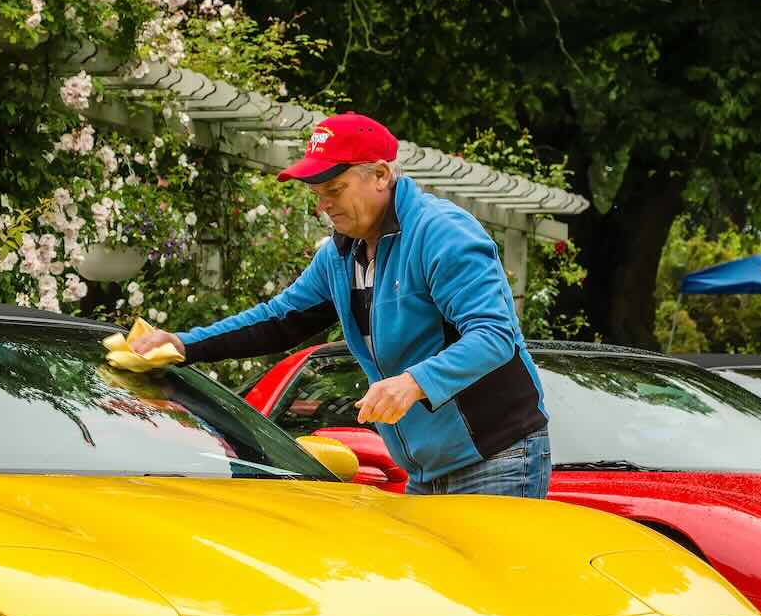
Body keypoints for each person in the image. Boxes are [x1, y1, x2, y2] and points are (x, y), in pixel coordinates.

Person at [129, 112, 550, 497]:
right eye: (317, 193)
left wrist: (413, 382)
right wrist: (183, 344)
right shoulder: (339, 256)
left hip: (498, 457)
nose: (323, 205)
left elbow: (495, 335)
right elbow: (279, 320)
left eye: (334, 189)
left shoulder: (442, 233)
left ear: (381, 175)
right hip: (425, 474)